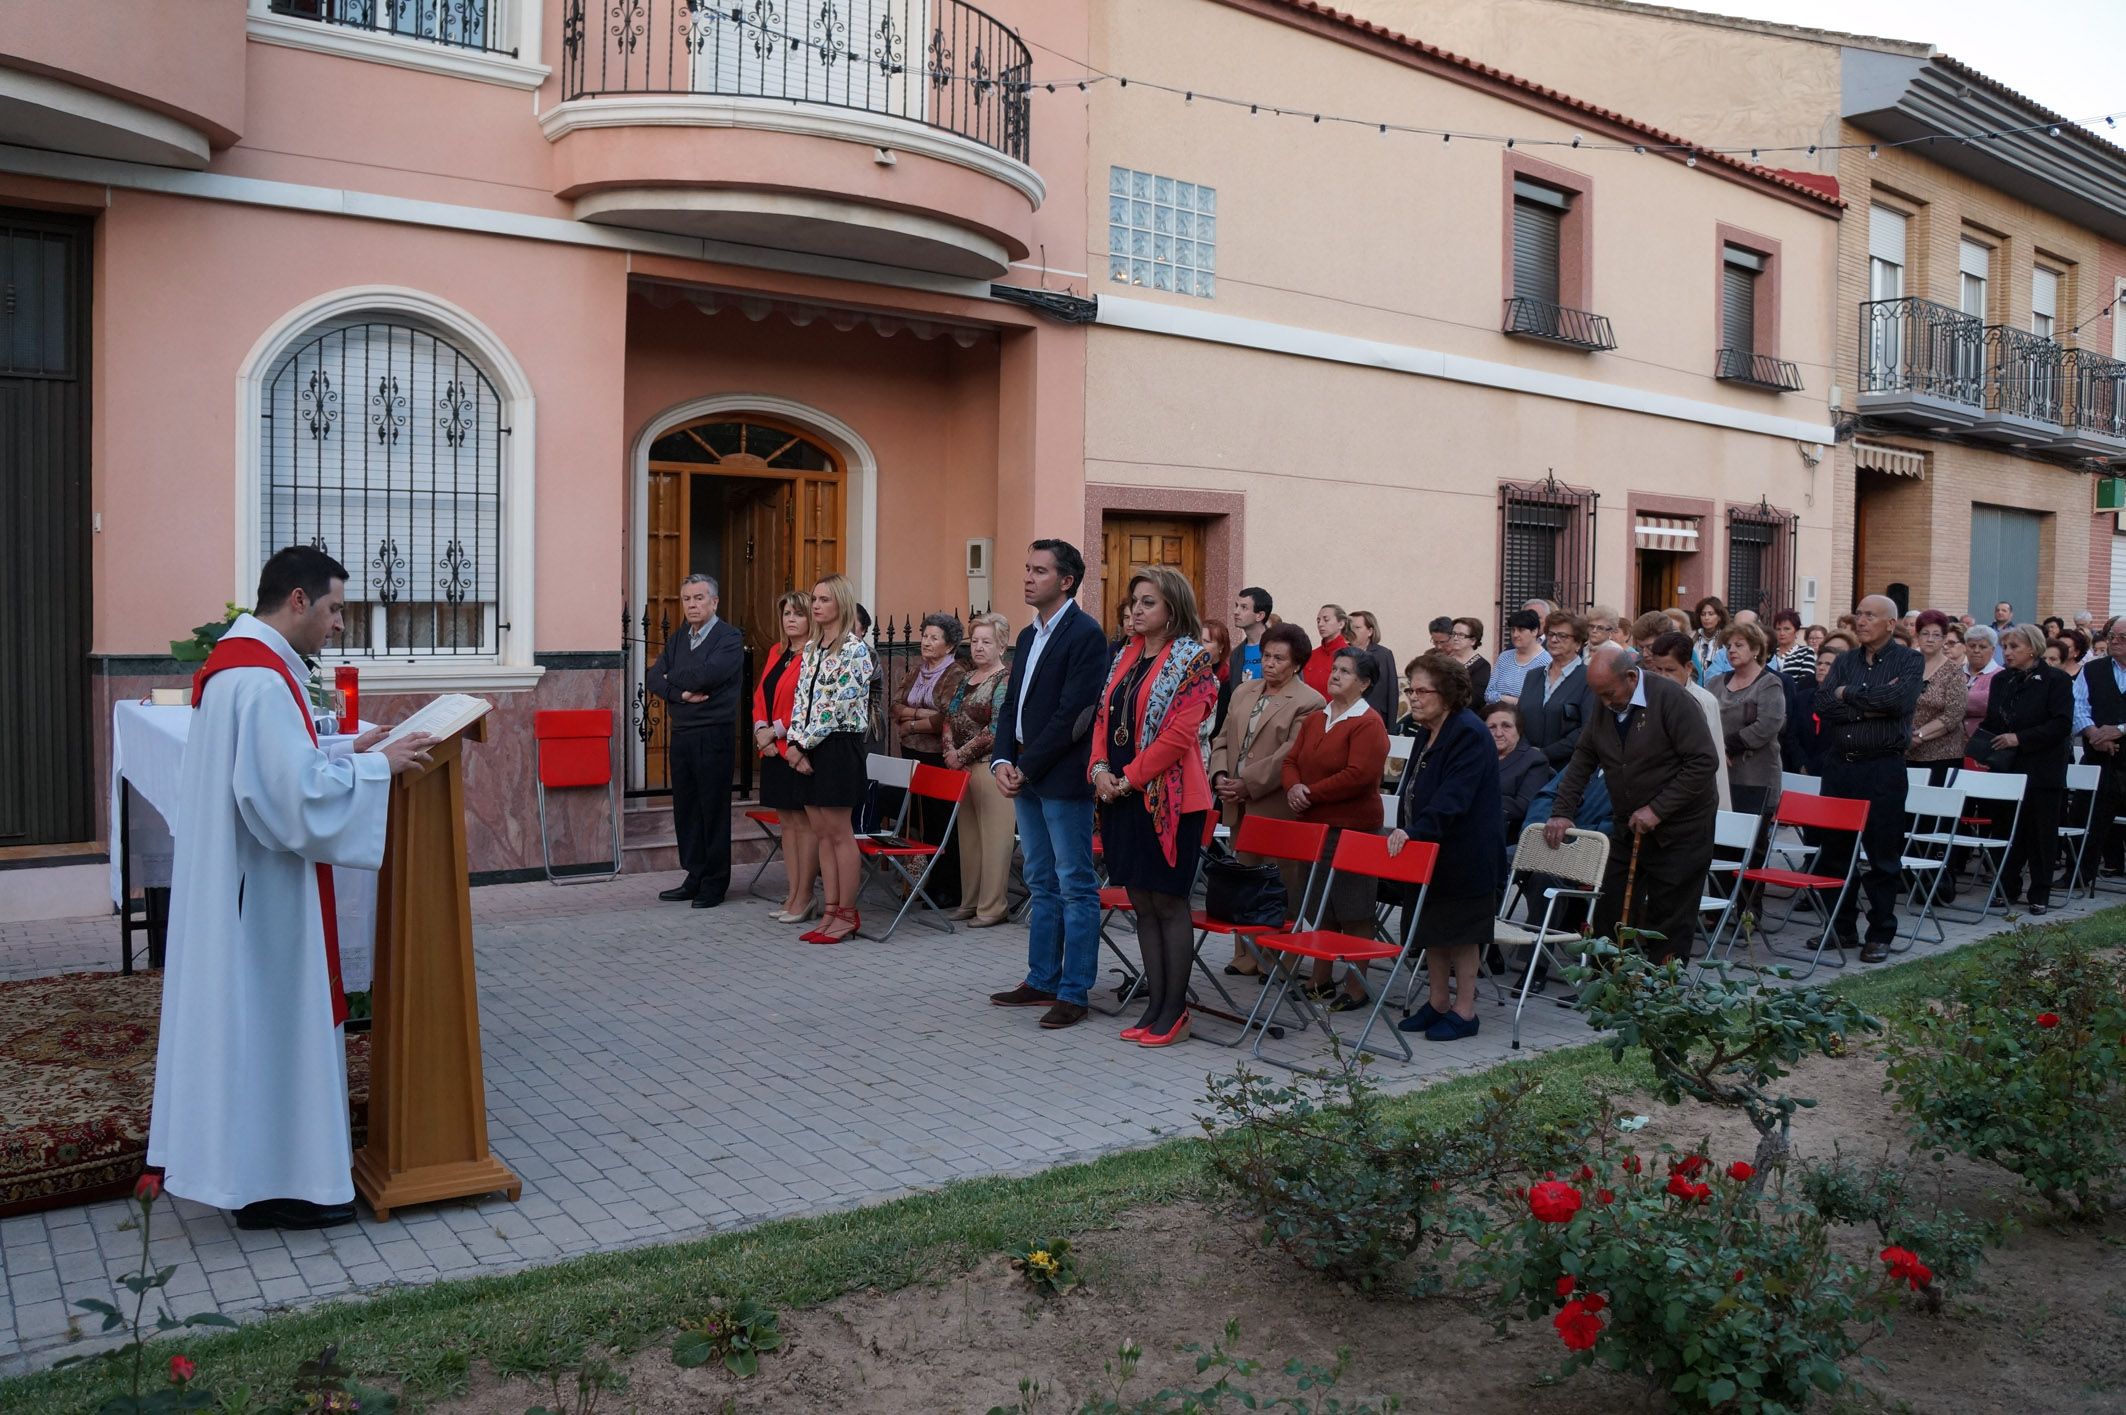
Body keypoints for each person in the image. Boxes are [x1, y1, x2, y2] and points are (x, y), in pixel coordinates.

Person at [149, 546, 436, 1230]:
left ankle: (264, 1178)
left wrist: (354, 750)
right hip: (266, 893)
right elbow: (290, 796)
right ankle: (282, 1186)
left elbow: (285, 764)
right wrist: (378, 771)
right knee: (275, 1028)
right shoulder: (259, 679)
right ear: (299, 600)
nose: (340, 623)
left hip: (250, 880)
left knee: (260, 1032)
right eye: (336, 607)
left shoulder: (246, 666)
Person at [1092, 567, 1219, 1047]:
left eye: (1149, 602)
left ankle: (1176, 1009)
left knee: (1168, 902)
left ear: (1172, 608)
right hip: (1121, 794)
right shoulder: (1123, 655)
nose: (1137, 610)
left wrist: (1128, 779)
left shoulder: (1193, 661)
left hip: (1172, 799)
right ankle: (1153, 1005)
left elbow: (1179, 736)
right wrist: (1100, 770)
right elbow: (1104, 718)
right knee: (1142, 903)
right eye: (1135, 602)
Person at [988, 540, 1111, 1030]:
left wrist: (1027, 765)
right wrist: (1001, 757)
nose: (1027, 577)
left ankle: (1074, 990)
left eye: (1039, 570)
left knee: (1075, 883)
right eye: (1026, 568)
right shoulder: (1027, 632)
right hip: (1025, 774)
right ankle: (1041, 978)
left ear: (1065, 581)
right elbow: (1010, 703)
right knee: (1040, 880)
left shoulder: (1085, 634)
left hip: (1058, 778)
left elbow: (1074, 717)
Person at [1546, 646, 1720, 965]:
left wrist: (1658, 809)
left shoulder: (1672, 700)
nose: (1603, 703)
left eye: (1608, 693)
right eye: (1597, 695)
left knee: (1668, 916)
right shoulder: (1607, 704)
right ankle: (1606, 986)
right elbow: (1583, 758)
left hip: (1682, 830)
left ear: (1629, 676)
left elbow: (1704, 762)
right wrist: (1562, 810)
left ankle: (1660, 995)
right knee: (1610, 902)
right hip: (1628, 823)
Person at [1387, 659, 1501, 1043]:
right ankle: (1437, 1002)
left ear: (1448, 693)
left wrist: (1416, 831)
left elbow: (1455, 797)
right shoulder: (1428, 730)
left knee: (1461, 934)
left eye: (1422, 692)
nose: (1413, 699)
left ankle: (1465, 1010)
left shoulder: (1468, 732)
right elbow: (1414, 784)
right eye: (1410, 691)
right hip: (1429, 849)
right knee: (1432, 928)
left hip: (1464, 851)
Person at [1206, 621, 1323, 976]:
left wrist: (1248, 783)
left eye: (1279, 658)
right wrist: (1222, 775)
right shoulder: (1244, 690)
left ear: (1297, 663)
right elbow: (1222, 736)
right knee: (1244, 876)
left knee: (1279, 880)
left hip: (1273, 804)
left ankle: (1279, 956)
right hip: (1237, 802)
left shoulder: (1309, 701)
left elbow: (1292, 753)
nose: (1270, 663)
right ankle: (1245, 953)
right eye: (1267, 656)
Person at [1814, 596, 1925, 961]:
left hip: (1882, 769)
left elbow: (1899, 701)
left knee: (1882, 855)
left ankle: (1880, 933)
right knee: (1834, 852)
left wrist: (1851, 696)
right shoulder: (1845, 660)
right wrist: (1867, 703)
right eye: (1859, 614)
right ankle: (1841, 926)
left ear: (1891, 623)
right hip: (1840, 767)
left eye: (1869, 615)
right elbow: (1825, 704)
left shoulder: (1909, 659)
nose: (1860, 621)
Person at [1282, 647, 1393, 1009]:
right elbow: (1292, 760)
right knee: (1319, 905)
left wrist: (1310, 792)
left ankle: (1358, 983)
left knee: (1353, 908)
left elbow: (1358, 776)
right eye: (1334, 668)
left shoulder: (1368, 722)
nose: (1335, 675)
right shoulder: (1317, 718)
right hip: (1314, 826)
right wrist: (1294, 787)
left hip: (1352, 828)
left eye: (1345, 672)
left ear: (1364, 683)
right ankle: (1320, 976)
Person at [784, 575, 875, 944]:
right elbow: (801, 700)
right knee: (821, 832)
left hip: (838, 746)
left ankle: (847, 914)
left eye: (824, 600)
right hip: (807, 745)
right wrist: (793, 743)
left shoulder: (855, 650)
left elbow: (837, 708)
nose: (816, 606)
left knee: (839, 833)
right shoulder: (810, 649)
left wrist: (802, 744)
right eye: (814, 600)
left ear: (840, 603)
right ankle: (830, 910)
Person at [648, 573, 746, 909]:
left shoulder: (729, 638)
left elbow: (708, 674)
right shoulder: (677, 640)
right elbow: (651, 677)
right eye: (687, 599)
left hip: (713, 734)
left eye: (699, 598)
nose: (692, 604)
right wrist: (682, 693)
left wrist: (670, 679)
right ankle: (695, 874)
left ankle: (715, 883)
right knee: (686, 809)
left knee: (712, 809)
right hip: (683, 735)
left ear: (714, 602)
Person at [1982, 624, 2073, 916]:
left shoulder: (2055, 680)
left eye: (2013, 647)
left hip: (2041, 769)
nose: (2006, 653)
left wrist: (2020, 738)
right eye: (2005, 647)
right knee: (2006, 827)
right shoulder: (2001, 680)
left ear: (2032, 649)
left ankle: (2040, 892)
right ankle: (2006, 885)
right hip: (2007, 768)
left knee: (2041, 833)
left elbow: (2060, 724)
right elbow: (1994, 718)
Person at [942, 612, 1015, 927]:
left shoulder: (1005, 678)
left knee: (994, 838)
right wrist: (949, 751)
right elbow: (949, 715)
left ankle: (993, 906)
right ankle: (969, 901)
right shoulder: (965, 678)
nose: (979, 647)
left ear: (1001, 645)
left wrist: (962, 754)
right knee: (968, 839)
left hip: (989, 766)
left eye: (987, 642)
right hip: (961, 768)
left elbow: (996, 728)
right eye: (975, 641)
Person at [889, 612, 967, 906]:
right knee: (919, 821)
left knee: (941, 820)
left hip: (937, 757)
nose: (926, 642)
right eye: (924, 636)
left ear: (949, 646)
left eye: (934, 638)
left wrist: (911, 723)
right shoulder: (915, 671)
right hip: (912, 755)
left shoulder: (955, 674)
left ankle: (948, 887)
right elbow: (896, 706)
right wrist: (919, 716)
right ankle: (928, 884)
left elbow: (944, 718)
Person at [753, 590, 819, 924]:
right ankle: (793, 893)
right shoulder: (776, 651)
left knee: (804, 825)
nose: (790, 619)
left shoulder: (815, 655)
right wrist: (759, 730)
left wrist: (775, 733)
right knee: (788, 826)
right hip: (773, 750)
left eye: (798, 613)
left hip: (795, 748)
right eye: (786, 613)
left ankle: (805, 897)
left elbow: (805, 704)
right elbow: (760, 695)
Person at [1643, 632, 1734, 811]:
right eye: (1657, 670)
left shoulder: (1704, 702)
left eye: (1670, 670)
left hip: (1691, 800)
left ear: (1688, 667)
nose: (1662, 677)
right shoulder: (1646, 696)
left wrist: (1722, 811)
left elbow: (1714, 761)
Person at [1708, 620, 1786, 821]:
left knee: (1751, 844)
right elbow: (1703, 719)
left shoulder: (1769, 683)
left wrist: (1726, 746)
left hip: (1755, 776)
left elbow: (1767, 725)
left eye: (1739, 645)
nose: (1731, 650)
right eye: (1728, 646)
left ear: (1756, 649)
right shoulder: (1715, 683)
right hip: (1719, 775)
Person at [2073, 619, 2126, 888]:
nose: (2114, 641)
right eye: (2111, 636)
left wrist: (2119, 729)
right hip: (2098, 756)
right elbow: (2078, 706)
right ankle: (2080, 873)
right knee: (2085, 815)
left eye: (2122, 637)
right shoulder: (2092, 669)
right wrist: (2094, 734)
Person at [1517, 610, 1592, 769]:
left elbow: (1587, 730)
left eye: (1563, 636)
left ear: (1578, 644)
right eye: (1551, 634)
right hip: (1528, 765)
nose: (1554, 640)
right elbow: (1519, 719)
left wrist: (1545, 752)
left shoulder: (1588, 679)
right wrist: (1527, 752)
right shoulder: (1533, 676)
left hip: (1567, 769)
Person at [1906, 609, 1970, 787]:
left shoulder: (1953, 671)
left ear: (1943, 639)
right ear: (1917, 636)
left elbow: (1953, 715)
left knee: (1932, 811)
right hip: (1906, 753)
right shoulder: (1907, 666)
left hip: (1942, 755)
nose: (1930, 639)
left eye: (1936, 635)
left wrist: (1919, 735)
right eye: (1925, 634)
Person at [1489, 701, 1549, 842]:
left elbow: (1523, 806)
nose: (1498, 733)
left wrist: (1479, 799)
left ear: (1519, 730)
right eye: (1491, 727)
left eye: (1506, 726)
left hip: (1505, 836)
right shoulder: (1474, 756)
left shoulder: (1534, 761)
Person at [1487, 609, 1550, 706]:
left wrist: (1501, 697)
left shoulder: (1546, 661)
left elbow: (1538, 701)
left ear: (1534, 631)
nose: (1515, 635)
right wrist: (1514, 700)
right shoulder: (1504, 657)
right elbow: (1488, 694)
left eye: (1521, 630)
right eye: (1513, 630)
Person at [1348, 610, 1399, 723]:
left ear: (1370, 631)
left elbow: (1392, 692)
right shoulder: (1342, 654)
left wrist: (1391, 729)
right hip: (1348, 717)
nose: (1351, 631)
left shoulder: (1384, 655)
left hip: (1377, 717)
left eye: (1357, 627)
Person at [1200, 619, 1238, 746]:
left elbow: (1221, 719)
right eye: (1198, 640)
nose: (1200, 645)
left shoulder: (1226, 676)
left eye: (1207, 641)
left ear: (1221, 646)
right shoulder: (1191, 670)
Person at [1303, 604, 1351, 697]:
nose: (1320, 624)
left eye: (1326, 620)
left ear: (1341, 624)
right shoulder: (1311, 655)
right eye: (1318, 621)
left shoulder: (1350, 657)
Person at [1447, 616, 1491, 703]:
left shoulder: (1482, 666)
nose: (1455, 638)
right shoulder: (1444, 659)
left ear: (1473, 641)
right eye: (1453, 633)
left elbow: (1476, 699)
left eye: (1461, 635)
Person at [1232, 586, 1272, 682]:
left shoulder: (1281, 647)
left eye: (1244, 607)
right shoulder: (1236, 654)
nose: (1236, 612)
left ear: (1259, 615)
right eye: (1236, 606)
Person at [1691, 596, 1733, 685]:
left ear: (1719, 617)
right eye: (1703, 614)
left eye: (1711, 614)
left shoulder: (1726, 639)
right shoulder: (1692, 638)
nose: (1706, 618)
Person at [1771, 609, 1813, 682]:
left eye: (1786, 629)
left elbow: (1806, 682)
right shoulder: (1769, 653)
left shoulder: (1806, 652)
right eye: (1778, 629)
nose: (1782, 633)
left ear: (1796, 631)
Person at [1990, 600, 2016, 666]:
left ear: (2011, 614)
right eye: (1997, 610)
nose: (2000, 612)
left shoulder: (2015, 632)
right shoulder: (1987, 631)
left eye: (2004, 610)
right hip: (1988, 669)